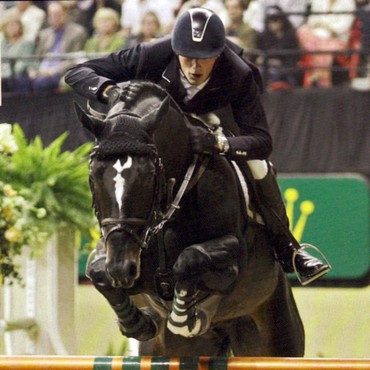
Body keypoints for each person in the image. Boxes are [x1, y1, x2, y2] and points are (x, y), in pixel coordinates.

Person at [65, 8, 330, 286]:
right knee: (122, 168)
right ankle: (114, 238)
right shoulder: (153, 53)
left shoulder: (239, 73)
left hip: (218, 126)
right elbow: (77, 72)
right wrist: (109, 90)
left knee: (259, 167)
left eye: (204, 60)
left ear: (218, 54)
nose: (195, 68)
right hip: (161, 133)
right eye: (188, 58)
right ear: (175, 49)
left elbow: (261, 142)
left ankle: (289, 249)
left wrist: (221, 143)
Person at [22, 1, 88, 93]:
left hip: (62, 71)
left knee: (41, 83)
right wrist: (34, 70)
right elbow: (37, 56)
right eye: (52, 15)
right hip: (42, 70)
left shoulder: (77, 32)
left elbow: (75, 58)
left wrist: (53, 71)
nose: (55, 17)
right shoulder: (44, 34)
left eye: (58, 14)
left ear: (65, 14)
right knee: (22, 81)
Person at [297, 0, 356, 87]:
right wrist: (323, 26)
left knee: (322, 49)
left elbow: (343, 26)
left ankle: (322, 81)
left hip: (337, 38)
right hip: (317, 35)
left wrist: (324, 26)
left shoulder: (348, 3)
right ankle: (316, 73)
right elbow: (312, 21)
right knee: (301, 31)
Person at [255, 6, 300, 88]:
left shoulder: (290, 37)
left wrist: (281, 63)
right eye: (271, 21)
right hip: (267, 69)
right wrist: (269, 61)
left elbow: (293, 58)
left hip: (286, 71)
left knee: (282, 76)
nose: (274, 24)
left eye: (276, 20)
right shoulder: (263, 37)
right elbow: (259, 58)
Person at [0, 14, 36, 93]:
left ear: (20, 27)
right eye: (9, 25)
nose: (12, 28)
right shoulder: (2, 43)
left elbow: (25, 62)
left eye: (14, 25)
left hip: (20, 75)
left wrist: (9, 73)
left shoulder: (26, 43)